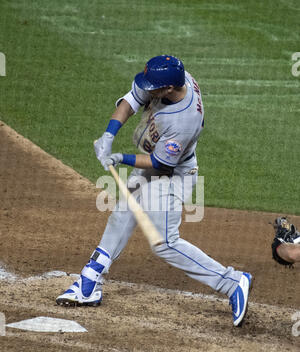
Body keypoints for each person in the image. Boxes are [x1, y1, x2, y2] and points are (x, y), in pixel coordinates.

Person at [56, 55, 253, 327]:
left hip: (173, 175)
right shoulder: (174, 79)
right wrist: (108, 135)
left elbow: (160, 163)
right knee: (122, 213)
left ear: (169, 89)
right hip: (156, 163)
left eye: (154, 87)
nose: (148, 90)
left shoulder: (184, 120)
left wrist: (119, 158)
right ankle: (90, 281)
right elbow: (132, 100)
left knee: (165, 243)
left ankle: (232, 282)